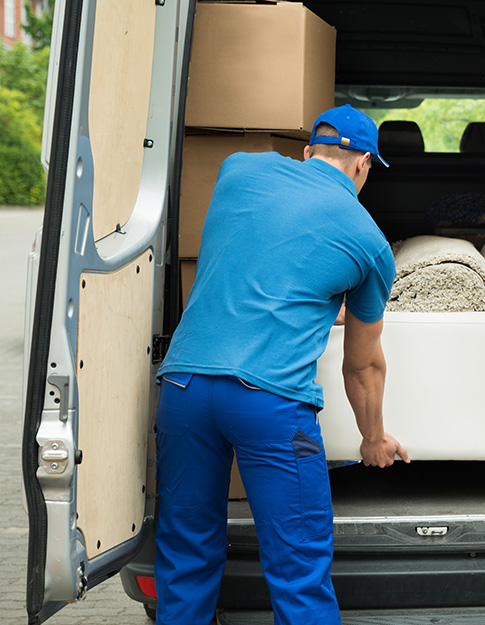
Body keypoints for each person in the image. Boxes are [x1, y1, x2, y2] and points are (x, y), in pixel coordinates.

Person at [153, 105, 408, 625]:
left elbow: (272, 252)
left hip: (184, 387)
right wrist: (373, 438)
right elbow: (362, 367)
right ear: (363, 165)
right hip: (267, 403)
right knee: (297, 571)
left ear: (308, 151)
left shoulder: (239, 169)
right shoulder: (370, 242)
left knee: (185, 555)